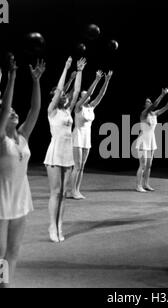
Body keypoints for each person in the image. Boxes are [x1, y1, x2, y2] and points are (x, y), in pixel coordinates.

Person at [0, 58, 45, 288]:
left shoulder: (22, 136)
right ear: (0, 120)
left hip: (20, 197)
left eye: (15, 112)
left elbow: (36, 109)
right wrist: (12, 78)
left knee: (13, 250)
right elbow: (6, 107)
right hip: (1, 198)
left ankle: (5, 286)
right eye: (10, 113)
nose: (14, 114)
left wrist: (36, 81)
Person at [44, 57, 86, 243]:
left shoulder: (68, 110)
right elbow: (61, 89)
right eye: (58, 94)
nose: (62, 95)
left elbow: (76, 91)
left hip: (67, 153)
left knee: (64, 194)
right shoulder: (52, 110)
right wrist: (65, 67)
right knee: (56, 192)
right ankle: (52, 226)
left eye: (62, 95)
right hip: (54, 152)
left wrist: (80, 71)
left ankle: (60, 224)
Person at [70, 70, 113, 200]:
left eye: (86, 95)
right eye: (84, 95)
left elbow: (101, 94)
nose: (87, 96)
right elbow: (90, 92)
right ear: (81, 98)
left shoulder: (91, 107)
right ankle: (72, 191)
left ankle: (77, 190)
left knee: (82, 166)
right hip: (77, 135)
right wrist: (96, 79)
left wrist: (106, 80)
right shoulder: (78, 107)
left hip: (86, 137)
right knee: (77, 166)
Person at [135, 88, 168, 192]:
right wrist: (162, 94)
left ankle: (146, 184)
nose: (148, 103)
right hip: (143, 140)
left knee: (149, 165)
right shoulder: (144, 113)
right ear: (145, 105)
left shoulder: (155, 113)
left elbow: (167, 107)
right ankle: (138, 186)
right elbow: (155, 105)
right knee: (142, 165)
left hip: (151, 140)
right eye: (146, 102)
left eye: (149, 101)